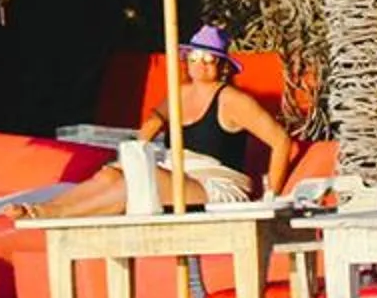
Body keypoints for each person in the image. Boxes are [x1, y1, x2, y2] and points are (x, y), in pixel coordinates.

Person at [22, 25, 299, 219]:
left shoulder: (233, 100)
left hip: (214, 184)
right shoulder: (179, 94)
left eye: (208, 60)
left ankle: (53, 213)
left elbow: (281, 141)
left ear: (223, 66)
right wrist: (136, 147)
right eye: (195, 58)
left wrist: (270, 196)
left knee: (143, 178)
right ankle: (47, 209)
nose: (200, 65)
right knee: (112, 174)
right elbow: (155, 121)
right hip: (177, 171)